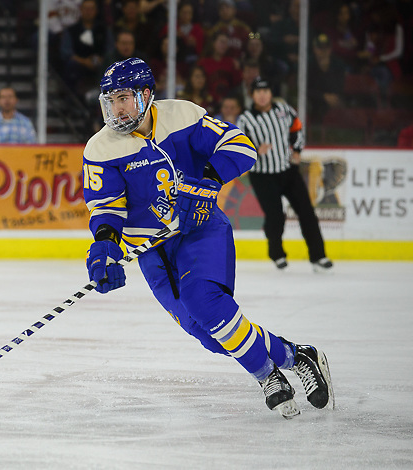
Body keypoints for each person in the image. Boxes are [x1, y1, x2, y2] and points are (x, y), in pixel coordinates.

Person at [83, 57, 334, 418]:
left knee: (205, 302)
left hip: (200, 229)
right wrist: (105, 243)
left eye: (123, 98)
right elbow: (107, 207)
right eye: (110, 101)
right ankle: (297, 355)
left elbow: (241, 146)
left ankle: (266, 375)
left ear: (146, 95)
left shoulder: (182, 115)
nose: (116, 109)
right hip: (151, 251)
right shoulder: (101, 148)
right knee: (208, 334)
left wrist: (206, 180)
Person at [236, 77, 333, 271]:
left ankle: (318, 257)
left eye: (266, 91)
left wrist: (297, 151)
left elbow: (297, 129)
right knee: (275, 216)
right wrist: (255, 149)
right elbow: (239, 143)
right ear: (252, 95)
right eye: (258, 92)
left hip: (288, 170)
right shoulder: (245, 118)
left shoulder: (284, 110)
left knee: (307, 213)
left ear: (271, 93)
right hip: (263, 175)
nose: (262, 96)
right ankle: (277, 254)